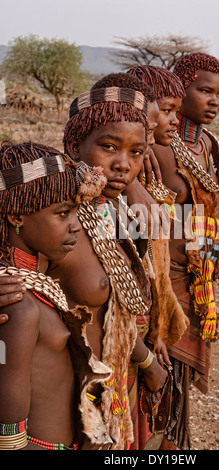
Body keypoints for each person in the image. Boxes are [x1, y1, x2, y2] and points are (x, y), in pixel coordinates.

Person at [0, 73, 185, 450]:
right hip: (71, 411)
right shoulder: (52, 219)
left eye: (136, 152)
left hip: (119, 385)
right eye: (108, 146)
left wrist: (148, 357)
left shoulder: (111, 210)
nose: (123, 164)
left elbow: (119, 302)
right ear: (73, 144)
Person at [127, 60, 219, 450]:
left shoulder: (205, 147)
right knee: (151, 382)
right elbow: (141, 221)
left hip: (194, 278)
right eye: (205, 91)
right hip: (159, 279)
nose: (214, 102)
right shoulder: (147, 148)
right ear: (181, 87)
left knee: (177, 389)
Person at [0, 141, 84, 450]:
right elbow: (9, 440)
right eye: (62, 214)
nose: (76, 226)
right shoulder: (17, 307)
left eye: (75, 211)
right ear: (17, 217)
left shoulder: (33, 280)